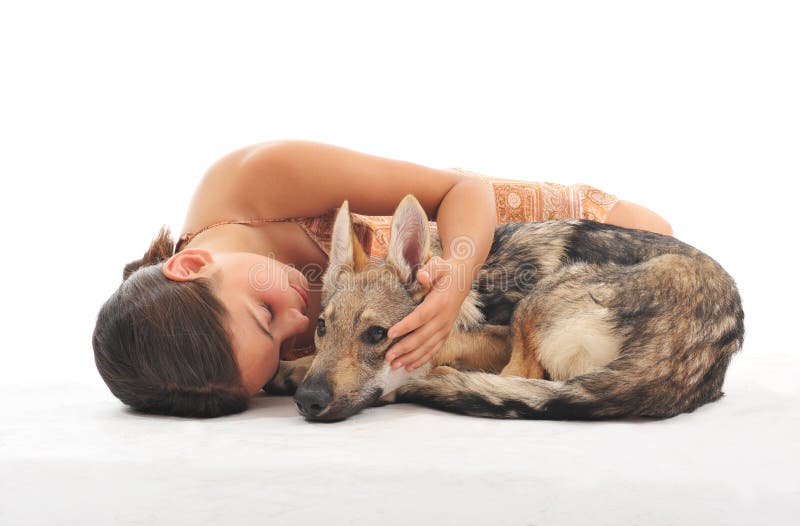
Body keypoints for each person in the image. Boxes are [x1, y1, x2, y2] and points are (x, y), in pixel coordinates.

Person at [92, 140, 672, 418]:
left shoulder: (251, 182)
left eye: (265, 314)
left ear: (192, 265)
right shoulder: (251, 349)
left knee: (658, 235)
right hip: (500, 314)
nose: (297, 321)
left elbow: (456, 190)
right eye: (281, 348)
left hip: (490, 225)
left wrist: (455, 278)